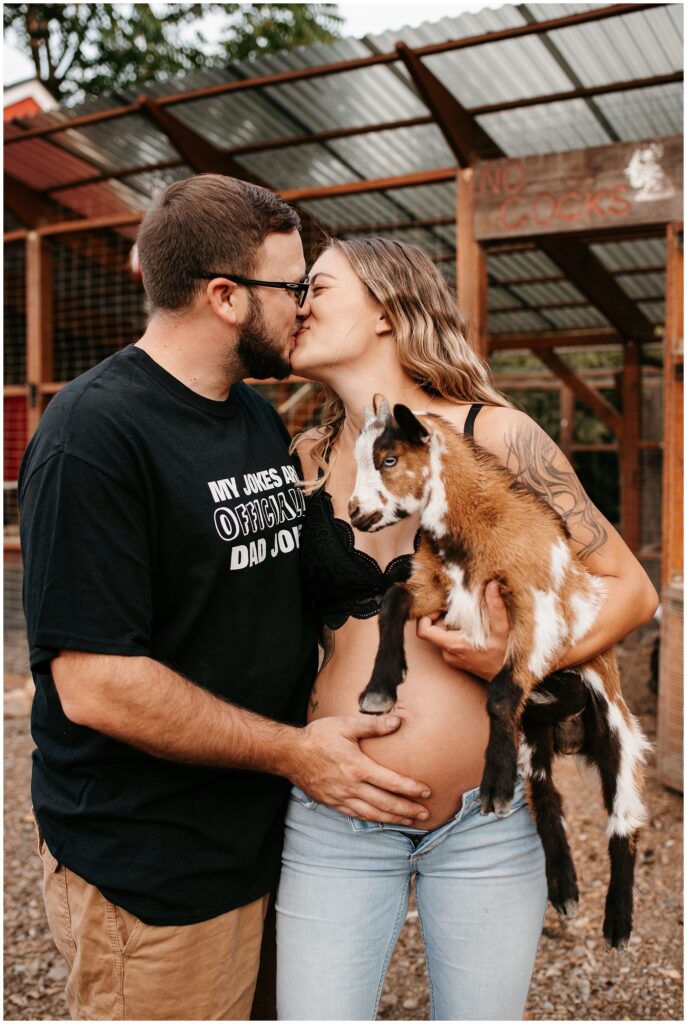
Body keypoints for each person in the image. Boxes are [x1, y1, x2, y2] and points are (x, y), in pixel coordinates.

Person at [18, 178, 436, 1022]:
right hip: (158, 867)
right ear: (224, 298)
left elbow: (288, 583)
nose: (304, 309)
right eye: (292, 289)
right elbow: (97, 683)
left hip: (267, 839)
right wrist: (296, 753)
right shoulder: (93, 435)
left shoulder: (247, 416)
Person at [276, 236, 659, 1021]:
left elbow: (629, 590)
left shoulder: (497, 433)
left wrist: (516, 658)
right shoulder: (304, 456)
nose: (297, 301)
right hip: (334, 813)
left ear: (385, 308)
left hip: (485, 822)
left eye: (316, 285)